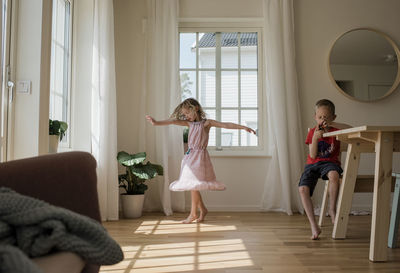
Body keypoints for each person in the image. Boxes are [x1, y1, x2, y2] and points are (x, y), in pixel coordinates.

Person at [146, 98, 256, 223]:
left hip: (200, 158)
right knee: (193, 185)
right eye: (184, 114)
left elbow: (225, 125)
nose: (185, 116)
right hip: (189, 157)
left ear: (196, 109)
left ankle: (193, 214)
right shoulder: (189, 124)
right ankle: (202, 210)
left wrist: (243, 127)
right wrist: (156, 122)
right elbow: (172, 121)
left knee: (194, 185)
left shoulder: (206, 123)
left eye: (187, 113)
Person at [298, 99, 351, 240]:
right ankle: (314, 226)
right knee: (303, 189)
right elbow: (313, 155)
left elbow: (351, 128)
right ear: (315, 117)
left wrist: (332, 125)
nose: (323, 120)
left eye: (326, 117)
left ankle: (332, 210)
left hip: (330, 163)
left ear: (333, 117)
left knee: (334, 175)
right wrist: (315, 138)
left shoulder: (336, 130)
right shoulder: (312, 132)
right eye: (320, 117)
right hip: (313, 164)